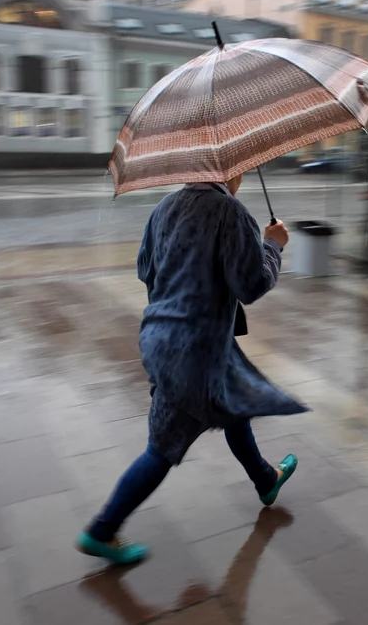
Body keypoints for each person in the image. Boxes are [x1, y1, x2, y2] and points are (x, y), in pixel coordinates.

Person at [75, 172, 308, 564]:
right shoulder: (230, 213)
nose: (243, 178)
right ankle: (102, 530)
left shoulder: (162, 210)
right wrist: (273, 245)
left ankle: (266, 480)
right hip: (193, 350)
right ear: (229, 169)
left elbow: (146, 270)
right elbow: (251, 286)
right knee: (162, 447)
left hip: (163, 335)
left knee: (236, 404)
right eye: (242, 172)